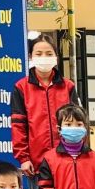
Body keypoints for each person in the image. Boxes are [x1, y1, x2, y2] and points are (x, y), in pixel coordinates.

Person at [10, 33, 79, 174]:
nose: (44, 57)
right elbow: (18, 126)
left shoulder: (68, 86)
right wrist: (24, 158)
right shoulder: (21, 87)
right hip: (36, 163)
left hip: (66, 159)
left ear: (56, 57)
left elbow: (78, 123)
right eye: (39, 54)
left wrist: (78, 152)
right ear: (31, 56)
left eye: (49, 54)